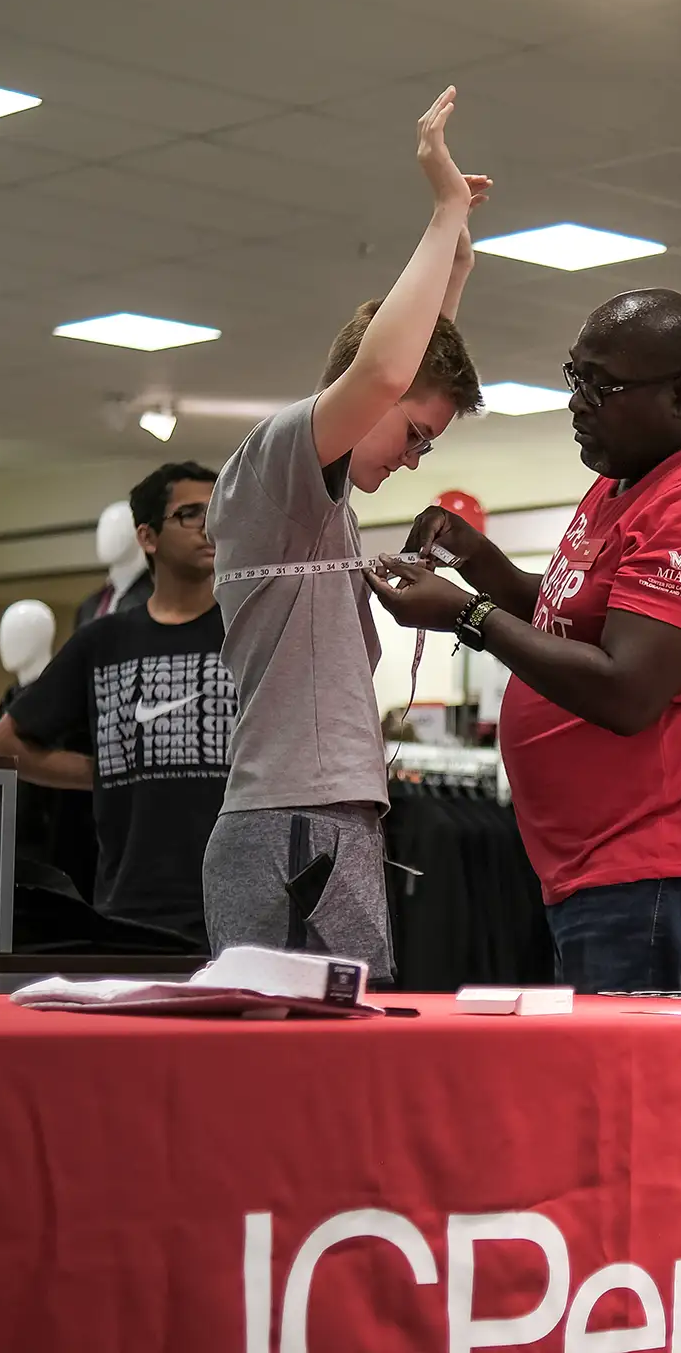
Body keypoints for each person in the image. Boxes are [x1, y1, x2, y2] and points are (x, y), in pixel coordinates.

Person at [369, 289, 681, 994]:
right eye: (574, 376)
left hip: (667, 871)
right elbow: (571, 617)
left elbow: (627, 688)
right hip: (608, 870)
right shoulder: (626, 480)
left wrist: (469, 617)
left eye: (601, 384)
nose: (576, 402)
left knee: (646, 1102)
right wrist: (482, 561)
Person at [204, 87, 488, 981]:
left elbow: (413, 361)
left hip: (318, 817)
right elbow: (390, 365)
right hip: (294, 821)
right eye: (414, 436)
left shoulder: (323, 510)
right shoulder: (276, 470)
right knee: (300, 1077)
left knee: (337, 1067)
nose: (413, 461)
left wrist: (457, 254)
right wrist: (442, 208)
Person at [0, 462, 236, 947]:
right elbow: (3, 747)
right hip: (129, 906)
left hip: (237, 906)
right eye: (190, 514)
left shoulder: (249, 631)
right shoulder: (102, 642)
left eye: (219, 510)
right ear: (147, 537)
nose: (210, 526)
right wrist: (103, 773)